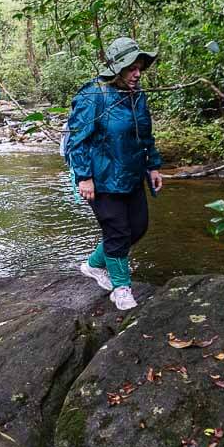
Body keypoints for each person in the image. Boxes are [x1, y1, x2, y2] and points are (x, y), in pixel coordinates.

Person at [65, 38, 163, 311]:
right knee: (117, 231)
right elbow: (78, 141)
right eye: (132, 68)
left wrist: (153, 166)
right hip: (102, 179)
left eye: (140, 67)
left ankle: (94, 264)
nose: (137, 74)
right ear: (116, 69)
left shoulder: (137, 96)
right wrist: (84, 176)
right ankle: (121, 288)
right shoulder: (93, 95)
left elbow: (145, 135)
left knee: (138, 227)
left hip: (131, 175)